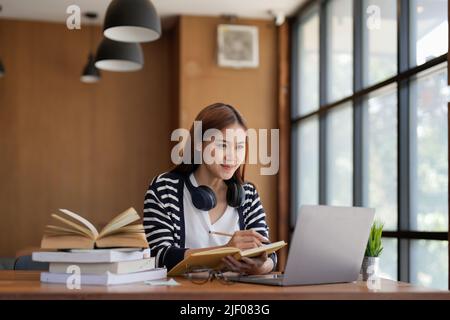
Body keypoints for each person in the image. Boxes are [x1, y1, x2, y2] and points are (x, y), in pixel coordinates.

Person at [143, 102, 276, 275]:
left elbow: (269, 254)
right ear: (199, 144)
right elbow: (159, 256)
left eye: (239, 147)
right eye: (222, 145)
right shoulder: (164, 188)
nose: (232, 156)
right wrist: (224, 252)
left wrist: (259, 267)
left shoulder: (248, 194)